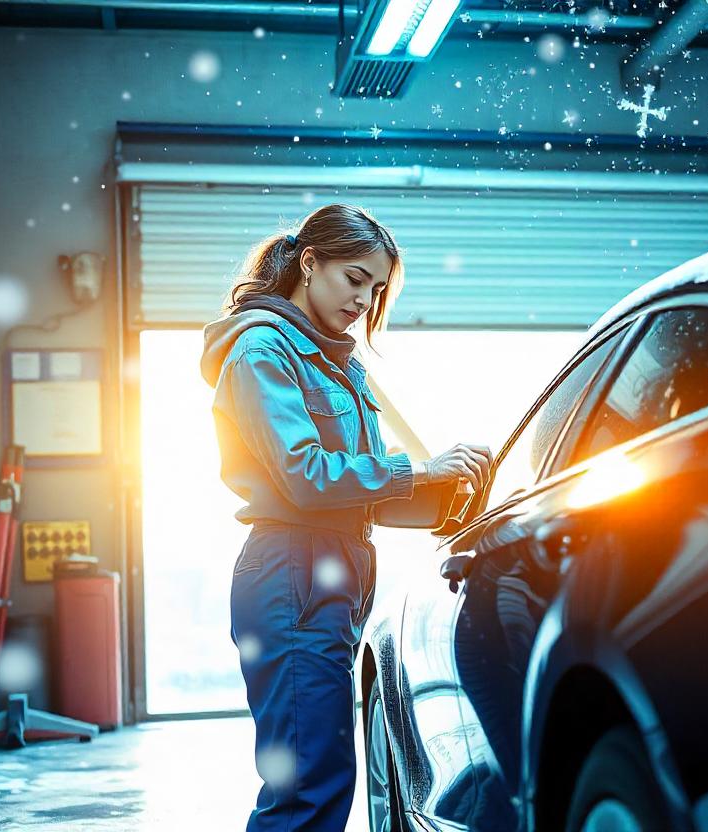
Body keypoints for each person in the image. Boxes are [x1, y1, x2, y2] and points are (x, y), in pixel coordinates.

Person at [200, 203, 491, 831]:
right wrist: (421, 470)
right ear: (310, 263)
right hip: (293, 572)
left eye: (376, 287)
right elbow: (307, 477)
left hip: (333, 570)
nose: (364, 299)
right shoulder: (261, 352)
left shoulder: (337, 364)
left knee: (323, 773)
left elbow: (358, 491)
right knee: (309, 783)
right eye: (354, 278)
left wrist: (461, 500)